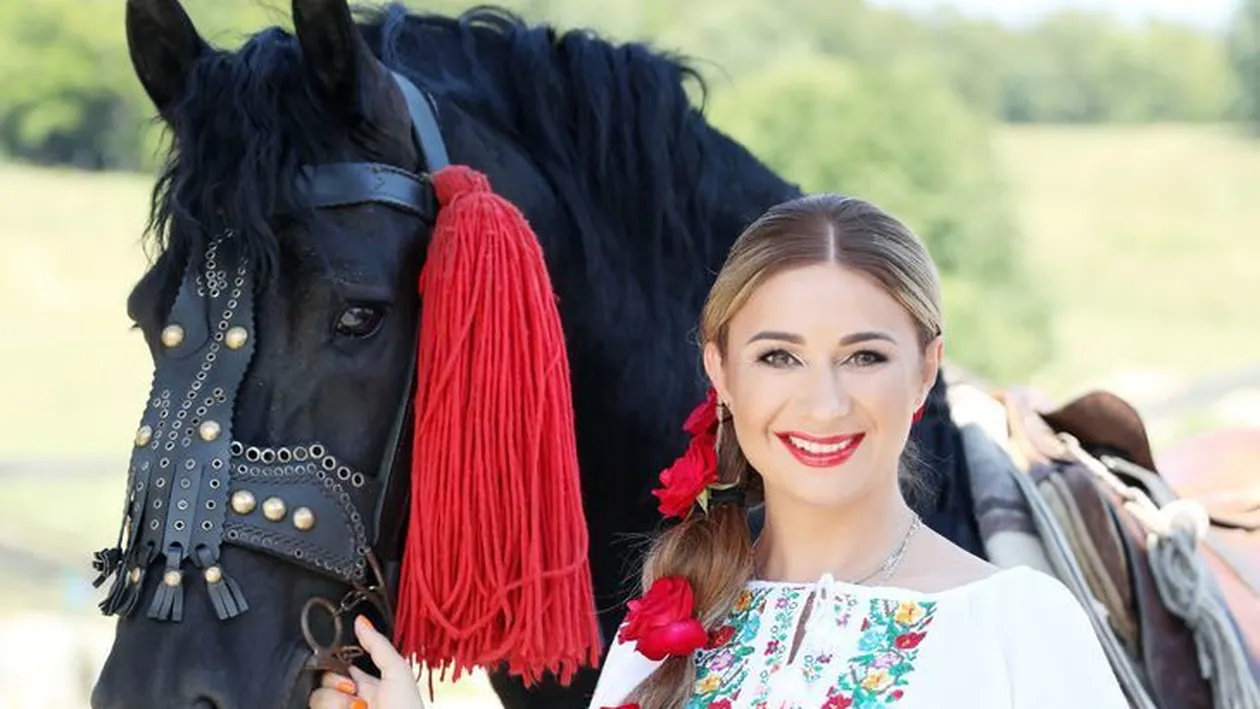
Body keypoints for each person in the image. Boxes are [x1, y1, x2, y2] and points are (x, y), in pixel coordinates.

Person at [313, 193, 1129, 709]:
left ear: (925, 371)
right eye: (779, 355)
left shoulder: (1015, 625)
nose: (823, 401)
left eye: (865, 355)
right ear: (721, 372)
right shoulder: (660, 628)